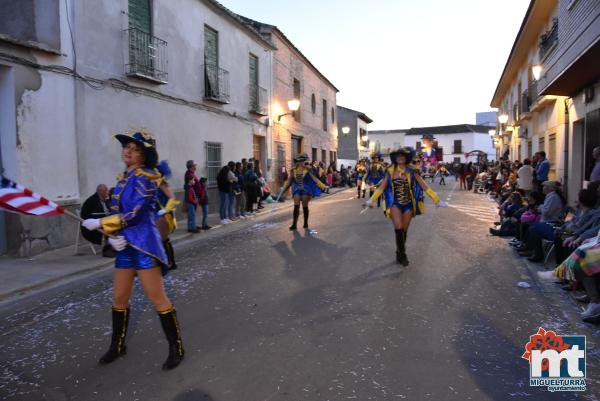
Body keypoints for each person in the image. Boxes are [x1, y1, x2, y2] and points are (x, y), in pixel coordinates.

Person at [81, 131, 184, 370]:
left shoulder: (147, 177)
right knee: (119, 297)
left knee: (157, 298)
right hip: (125, 245)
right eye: (126, 147)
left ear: (144, 154)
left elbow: (134, 214)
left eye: (135, 149)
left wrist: (100, 224)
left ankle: (176, 347)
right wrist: (113, 237)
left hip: (144, 245)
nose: (128, 151)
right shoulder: (125, 178)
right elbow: (119, 212)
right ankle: (117, 346)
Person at [365, 147, 446, 266]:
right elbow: (382, 187)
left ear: (406, 158)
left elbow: (424, 186)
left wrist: (436, 200)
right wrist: (371, 200)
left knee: (404, 230)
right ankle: (403, 255)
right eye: (398, 156)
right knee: (398, 226)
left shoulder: (412, 171)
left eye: (402, 156)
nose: (400, 157)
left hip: (408, 204)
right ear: (395, 158)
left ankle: (399, 251)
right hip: (395, 203)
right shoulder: (390, 170)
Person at [280, 153, 328, 231]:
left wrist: (323, 186)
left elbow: (315, 179)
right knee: (296, 206)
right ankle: (294, 224)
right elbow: (289, 181)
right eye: (299, 161)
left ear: (304, 161)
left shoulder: (308, 170)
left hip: (306, 189)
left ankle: (305, 222)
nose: (300, 162)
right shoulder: (293, 170)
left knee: (304, 206)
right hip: (297, 189)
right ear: (296, 162)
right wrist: (283, 189)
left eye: (302, 161)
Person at [155, 161, 180, 271]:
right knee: (158, 240)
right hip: (155, 215)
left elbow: (172, 198)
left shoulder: (161, 183)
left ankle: (171, 263)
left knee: (164, 240)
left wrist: (165, 210)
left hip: (162, 215)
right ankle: (163, 262)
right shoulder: (152, 183)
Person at [80, 184, 112, 256]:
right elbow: (93, 215)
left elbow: (109, 211)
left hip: (99, 223)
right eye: (106, 191)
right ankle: (108, 249)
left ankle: (112, 246)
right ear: (101, 191)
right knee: (111, 226)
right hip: (90, 228)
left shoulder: (104, 200)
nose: (108, 192)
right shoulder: (92, 201)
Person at [184, 160, 200, 233]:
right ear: (191, 166)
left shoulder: (192, 173)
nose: (195, 167)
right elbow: (189, 185)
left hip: (194, 195)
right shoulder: (188, 174)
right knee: (191, 213)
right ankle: (191, 227)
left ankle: (192, 225)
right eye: (194, 165)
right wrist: (194, 197)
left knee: (193, 213)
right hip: (191, 196)